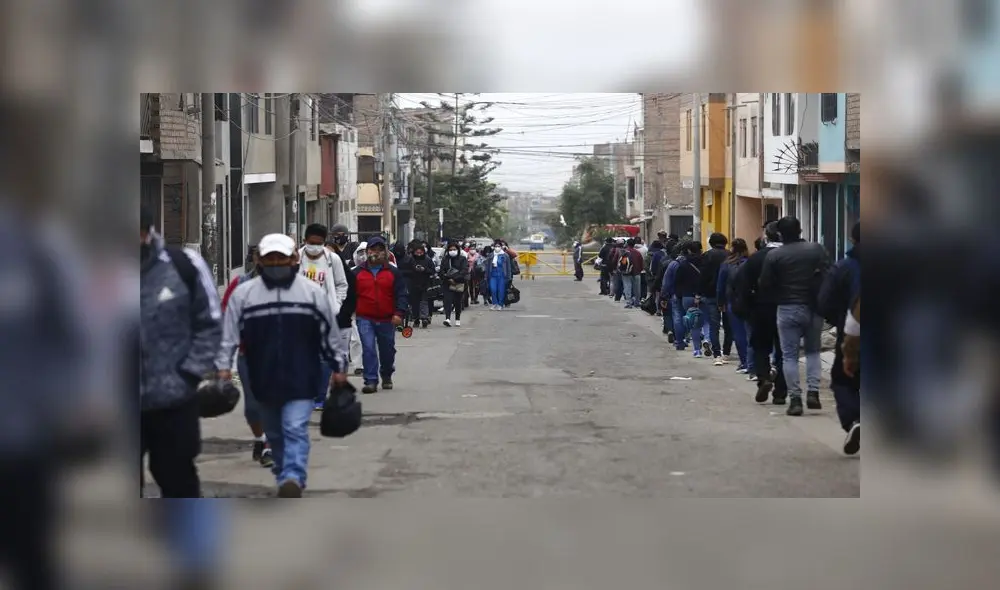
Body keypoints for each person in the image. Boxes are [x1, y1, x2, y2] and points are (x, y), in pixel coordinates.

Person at [216, 234, 347, 498]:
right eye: (270, 258)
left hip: (301, 373)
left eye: (281, 257)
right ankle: (282, 471)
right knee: (274, 432)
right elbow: (228, 334)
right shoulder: (244, 294)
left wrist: (339, 367)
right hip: (261, 375)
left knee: (294, 426)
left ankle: (293, 477)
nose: (276, 263)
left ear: (294, 259)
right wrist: (223, 369)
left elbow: (329, 334)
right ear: (260, 261)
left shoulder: (311, 293)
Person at [140, 207, 223, 501]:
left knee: (177, 480)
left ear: (147, 232)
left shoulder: (183, 265)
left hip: (173, 400)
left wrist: (189, 373)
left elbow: (211, 323)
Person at [760, 216, 830, 417]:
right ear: (800, 230)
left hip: (787, 308)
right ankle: (814, 393)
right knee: (813, 352)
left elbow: (765, 284)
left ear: (780, 234)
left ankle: (796, 399)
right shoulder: (816, 249)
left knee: (789, 355)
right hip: (813, 308)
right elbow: (829, 275)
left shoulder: (775, 256)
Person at [221, 246, 273, 467]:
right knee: (252, 406)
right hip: (248, 354)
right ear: (255, 259)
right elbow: (227, 319)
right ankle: (260, 439)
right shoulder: (240, 285)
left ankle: (270, 445)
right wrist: (223, 363)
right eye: (262, 256)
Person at [818, 221, 861, 454]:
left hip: (853, 333)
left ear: (853, 240)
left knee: (844, 379)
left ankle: (855, 420)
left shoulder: (844, 268)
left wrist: (838, 320)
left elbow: (825, 301)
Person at [299, 224, 348, 410]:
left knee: (323, 359)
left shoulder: (332, 259)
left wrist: (337, 305)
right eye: (312, 243)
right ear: (305, 241)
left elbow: (342, 284)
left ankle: (319, 396)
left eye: (319, 244)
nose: (315, 247)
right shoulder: (296, 258)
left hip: (326, 315)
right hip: (301, 316)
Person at [740, 222, 788, 404]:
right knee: (784, 351)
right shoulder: (790, 257)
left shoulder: (756, 258)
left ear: (766, 236)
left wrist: (746, 309)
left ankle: (763, 377)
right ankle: (781, 392)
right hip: (786, 307)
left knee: (760, 346)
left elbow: (744, 287)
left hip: (761, 308)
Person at [353, 237, 409, 394]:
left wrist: (399, 313)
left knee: (387, 350)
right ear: (367, 252)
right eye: (372, 250)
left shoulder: (393, 272)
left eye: (379, 250)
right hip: (365, 317)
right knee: (368, 348)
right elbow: (350, 296)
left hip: (387, 318)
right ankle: (370, 380)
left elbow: (402, 295)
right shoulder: (357, 273)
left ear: (385, 252)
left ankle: (386, 374)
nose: (375, 253)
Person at [717, 238, 750, 374]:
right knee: (750, 332)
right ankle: (752, 361)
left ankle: (744, 362)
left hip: (732, 302)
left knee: (738, 333)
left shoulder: (726, 265)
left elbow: (720, 286)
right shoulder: (749, 263)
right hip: (749, 302)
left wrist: (720, 303)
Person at [699, 232, 729, 363]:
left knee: (714, 325)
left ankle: (716, 352)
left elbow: (703, 276)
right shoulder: (730, 255)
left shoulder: (707, 256)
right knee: (729, 326)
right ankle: (726, 351)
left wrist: (699, 292)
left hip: (710, 294)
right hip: (728, 294)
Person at [673, 241, 705, 356]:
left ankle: (697, 349)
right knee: (707, 322)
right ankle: (708, 340)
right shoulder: (706, 262)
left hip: (687, 296)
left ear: (689, 251)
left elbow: (677, 282)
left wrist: (679, 295)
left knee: (693, 323)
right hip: (704, 296)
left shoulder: (683, 264)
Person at [402, 240, 436, 328]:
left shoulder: (428, 259)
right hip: (413, 283)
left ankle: (424, 318)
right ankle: (416, 319)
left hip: (425, 283)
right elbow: (405, 271)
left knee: (424, 301)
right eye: (417, 252)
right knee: (414, 303)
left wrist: (424, 270)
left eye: (421, 252)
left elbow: (433, 270)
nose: (419, 254)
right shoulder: (410, 259)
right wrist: (414, 270)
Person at [439, 240, 470, 326]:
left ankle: (457, 318)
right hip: (447, 283)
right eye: (450, 249)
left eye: (454, 249)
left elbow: (464, 270)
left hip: (458, 283)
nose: (452, 251)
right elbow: (441, 271)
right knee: (447, 301)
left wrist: (455, 279)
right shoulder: (445, 259)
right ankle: (447, 318)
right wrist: (448, 278)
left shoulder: (462, 259)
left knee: (457, 301)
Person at [486, 241, 513, 310]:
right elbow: (487, 266)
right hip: (493, 275)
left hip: (502, 275)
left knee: (500, 290)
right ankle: (494, 303)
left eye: (498, 246)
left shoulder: (505, 255)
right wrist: (486, 275)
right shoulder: (491, 255)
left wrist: (509, 277)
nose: (497, 248)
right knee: (493, 289)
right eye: (496, 246)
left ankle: (500, 304)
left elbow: (508, 267)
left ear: (501, 247)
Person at [620, 238, 644, 308]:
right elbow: (641, 264)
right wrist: (639, 270)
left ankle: (629, 303)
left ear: (627, 244)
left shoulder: (625, 252)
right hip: (636, 272)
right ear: (634, 244)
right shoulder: (637, 253)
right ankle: (637, 302)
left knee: (627, 287)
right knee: (637, 288)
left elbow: (622, 263)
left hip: (626, 273)